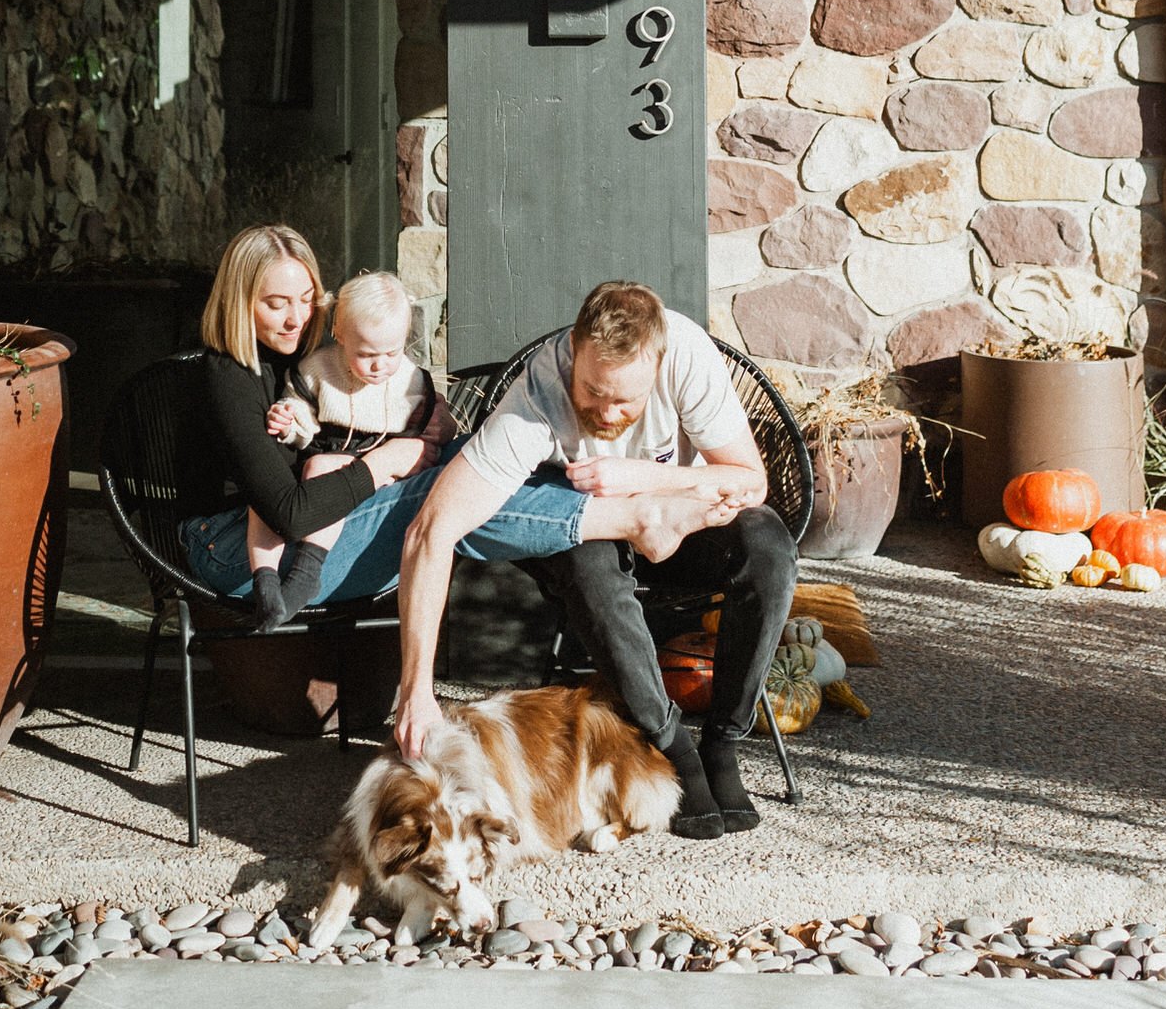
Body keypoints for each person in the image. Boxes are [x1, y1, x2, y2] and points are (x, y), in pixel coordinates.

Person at [395, 279, 798, 840]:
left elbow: (749, 480)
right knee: (588, 567)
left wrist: (645, 480)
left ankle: (723, 740)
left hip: (679, 516)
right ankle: (671, 743)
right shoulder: (539, 390)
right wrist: (415, 692)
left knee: (768, 545)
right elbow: (430, 531)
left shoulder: (686, 354)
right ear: (574, 353)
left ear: (658, 365)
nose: (606, 412)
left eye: (624, 399)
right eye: (592, 391)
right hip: (590, 532)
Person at [183, 227, 737, 632]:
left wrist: (419, 431)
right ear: (238, 300)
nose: (296, 318)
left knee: (467, 465)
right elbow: (289, 512)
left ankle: (622, 517)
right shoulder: (226, 376)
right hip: (240, 556)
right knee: (446, 489)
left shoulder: (310, 359)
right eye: (276, 304)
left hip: (305, 541)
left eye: (306, 301)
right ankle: (632, 518)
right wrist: (388, 461)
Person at [249, 269, 457, 625]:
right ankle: (265, 580)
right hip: (324, 464)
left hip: (379, 481)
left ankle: (305, 573)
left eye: (391, 352)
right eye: (366, 354)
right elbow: (301, 406)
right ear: (339, 335)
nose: (379, 365)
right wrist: (290, 419)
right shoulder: (319, 370)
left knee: (321, 469)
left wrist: (441, 427)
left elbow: (438, 425)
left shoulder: (408, 380)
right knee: (271, 490)